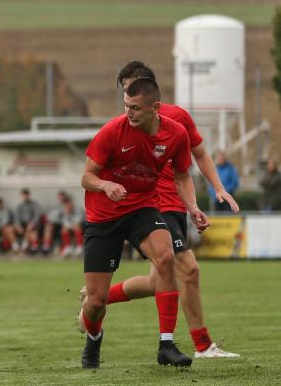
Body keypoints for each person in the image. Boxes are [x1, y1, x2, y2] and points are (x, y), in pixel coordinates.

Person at [81, 61, 239, 358]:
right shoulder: (116, 129)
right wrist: (106, 185)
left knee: (166, 271)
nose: (128, 107)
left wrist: (206, 197)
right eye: (125, 97)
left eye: (134, 97)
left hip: (153, 205)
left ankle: (170, 344)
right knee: (181, 270)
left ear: (153, 98)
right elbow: (87, 175)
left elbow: (192, 163)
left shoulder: (176, 124)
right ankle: (94, 316)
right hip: (125, 209)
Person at [15, 188, 42, 253]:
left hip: (33, 223)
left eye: (26, 195)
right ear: (21, 196)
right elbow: (17, 217)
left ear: (29, 195)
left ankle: (25, 245)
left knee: (31, 229)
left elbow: (37, 215)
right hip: (23, 224)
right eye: (23, 196)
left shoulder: (34, 204)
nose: (25, 197)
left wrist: (33, 222)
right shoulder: (19, 206)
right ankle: (17, 246)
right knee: (10, 228)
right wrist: (18, 225)